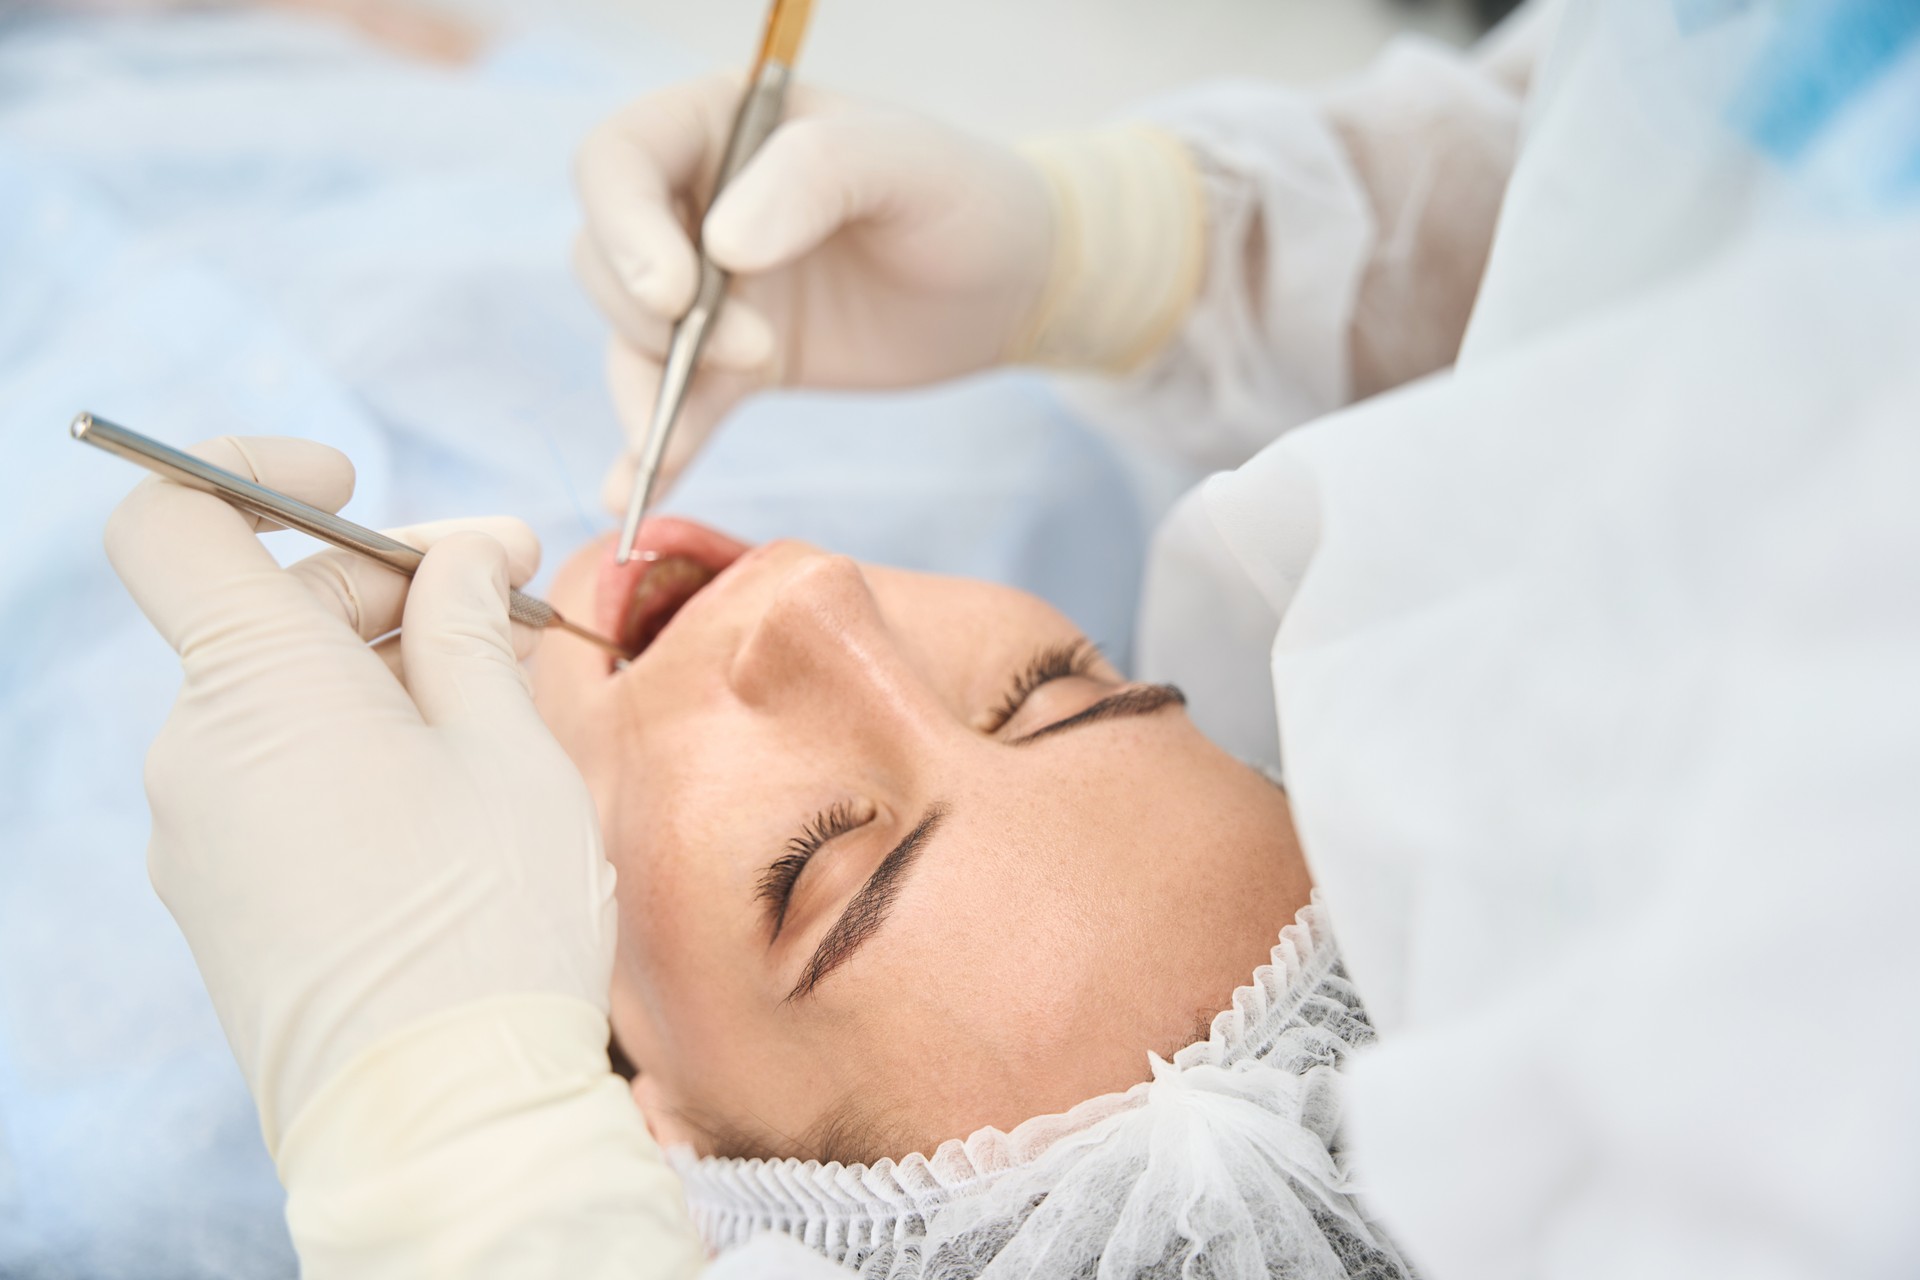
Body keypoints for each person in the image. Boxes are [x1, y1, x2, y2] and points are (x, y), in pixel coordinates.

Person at [100, 0, 1920, 1277]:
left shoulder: (95, 1095)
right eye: (1057, 688)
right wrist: (1143, 244)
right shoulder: (1020, 461)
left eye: (818, 868)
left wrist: (446, 1157)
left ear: (645, 1126)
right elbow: (1727, 158)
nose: (817, 595)